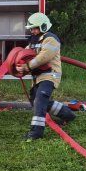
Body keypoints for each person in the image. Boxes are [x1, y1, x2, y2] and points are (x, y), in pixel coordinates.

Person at [15, 12, 76, 141]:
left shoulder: (51, 39)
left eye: (34, 28)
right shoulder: (33, 41)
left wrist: (27, 67)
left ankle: (36, 132)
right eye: (31, 28)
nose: (32, 31)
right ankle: (68, 114)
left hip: (49, 75)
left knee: (40, 98)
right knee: (38, 101)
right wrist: (18, 65)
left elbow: (43, 58)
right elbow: (24, 54)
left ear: (43, 26)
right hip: (37, 77)